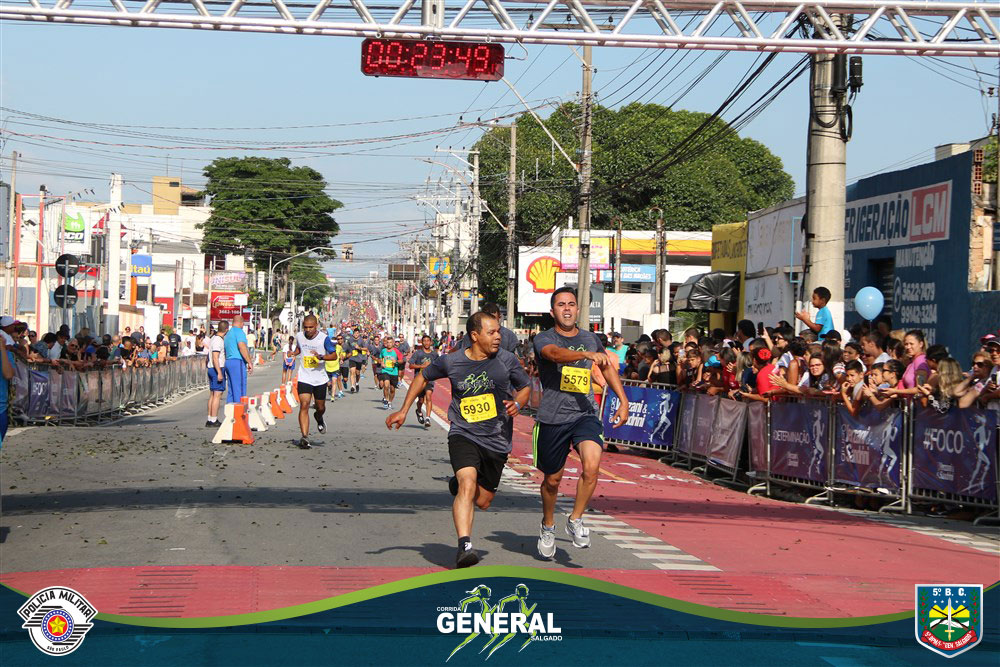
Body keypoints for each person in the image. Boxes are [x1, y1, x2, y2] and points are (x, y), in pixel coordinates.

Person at [386, 311, 531, 568]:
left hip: (497, 438)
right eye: (491, 332)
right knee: (467, 483)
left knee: (483, 501)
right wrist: (404, 410)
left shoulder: (507, 360)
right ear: (475, 336)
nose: (498, 337)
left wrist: (518, 403)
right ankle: (465, 546)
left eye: (498, 331)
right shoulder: (452, 361)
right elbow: (422, 376)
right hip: (463, 432)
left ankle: (459, 483)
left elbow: (525, 387)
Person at [532, 287, 629, 560]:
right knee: (552, 480)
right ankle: (548, 525)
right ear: (552, 311)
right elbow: (554, 354)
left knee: (592, 465)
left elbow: (607, 366)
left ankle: (575, 519)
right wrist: (585, 355)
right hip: (553, 417)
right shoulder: (543, 338)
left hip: (584, 413)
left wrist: (623, 400)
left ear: (577, 309)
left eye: (571, 304)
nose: (567, 308)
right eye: (561, 304)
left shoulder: (590, 338)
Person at [291, 315, 338, 449]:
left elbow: (334, 355)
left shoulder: (324, 338)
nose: (308, 330)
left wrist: (321, 357)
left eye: (310, 327)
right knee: (304, 404)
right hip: (304, 377)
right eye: (305, 327)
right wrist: (293, 353)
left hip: (320, 378)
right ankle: (305, 437)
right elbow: (299, 348)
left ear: (316, 326)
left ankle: (319, 417)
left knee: (320, 407)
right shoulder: (300, 336)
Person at [408, 334, 438, 428]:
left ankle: (428, 418)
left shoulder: (434, 354)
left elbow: (438, 366)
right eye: (424, 341)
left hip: (430, 379)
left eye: (428, 341)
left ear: (431, 342)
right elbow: (410, 365)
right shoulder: (418, 353)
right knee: (421, 400)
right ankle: (419, 411)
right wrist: (422, 366)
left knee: (428, 396)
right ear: (422, 342)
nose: (426, 343)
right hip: (419, 380)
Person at [223, 315, 253, 406]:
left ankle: (230, 410)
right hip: (237, 361)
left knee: (231, 389)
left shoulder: (228, 334)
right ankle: (239, 410)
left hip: (228, 361)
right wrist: (249, 362)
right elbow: (242, 346)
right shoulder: (239, 332)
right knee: (239, 389)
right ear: (241, 323)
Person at [206, 322, 228, 427]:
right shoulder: (218, 341)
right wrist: (219, 372)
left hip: (211, 368)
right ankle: (213, 419)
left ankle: (210, 417)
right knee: (217, 395)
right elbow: (215, 357)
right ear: (226, 330)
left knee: (212, 394)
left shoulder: (213, 338)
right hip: (217, 368)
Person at [379, 336, 402, 409]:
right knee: (386, 385)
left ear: (393, 343)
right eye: (388, 342)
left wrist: (396, 361)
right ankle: (386, 399)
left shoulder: (396, 351)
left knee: (392, 389)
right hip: (385, 371)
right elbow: (380, 358)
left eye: (390, 342)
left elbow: (402, 360)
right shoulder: (383, 351)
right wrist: (382, 363)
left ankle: (390, 402)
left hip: (394, 372)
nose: (389, 344)